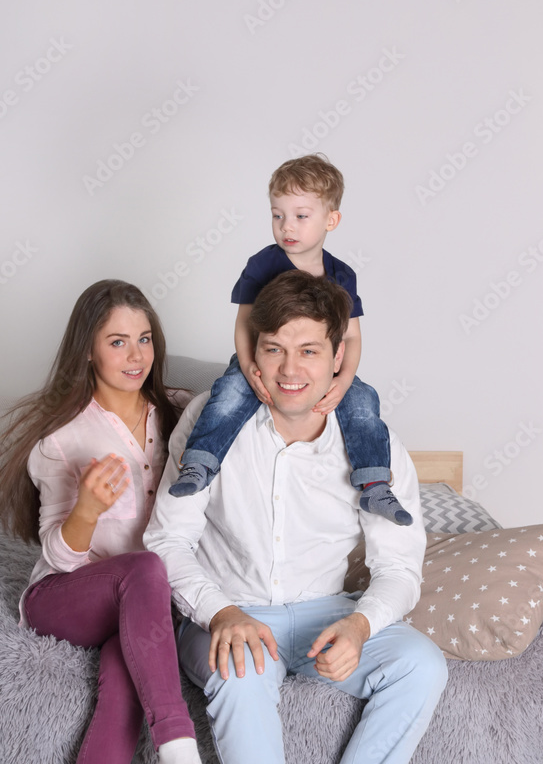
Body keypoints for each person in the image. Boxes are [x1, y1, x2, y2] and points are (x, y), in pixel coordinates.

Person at [145, 270, 448, 764]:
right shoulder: (209, 423)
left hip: (324, 610)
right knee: (240, 669)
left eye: (308, 350)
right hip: (227, 608)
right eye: (274, 349)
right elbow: (165, 542)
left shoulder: (371, 440)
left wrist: (361, 625)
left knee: (421, 664)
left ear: (338, 355)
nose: (290, 369)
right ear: (250, 354)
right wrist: (219, 612)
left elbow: (400, 565)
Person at [0, 279, 221, 764]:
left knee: (127, 672)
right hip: (63, 596)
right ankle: (177, 746)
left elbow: (243, 389)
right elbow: (62, 558)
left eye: (144, 338)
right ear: (88, 350)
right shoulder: (59, 441)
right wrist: (87, 510)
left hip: (140, 606)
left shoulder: (176, 413)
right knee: (142, 567)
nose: (134, 353)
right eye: (117, 340)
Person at [169, 153, 412, 527]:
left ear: (331, 219)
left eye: (301, 215)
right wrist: (248, 365)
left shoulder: (342, 275)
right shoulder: (263, 264)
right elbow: (243, 324)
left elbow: (352, 337)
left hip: (324, 368)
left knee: (364, 399)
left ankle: (375, 483)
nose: (286, 226)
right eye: (277, 215)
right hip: (258, 357)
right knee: (230, 392)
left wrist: (343, 380)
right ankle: (200, 463)